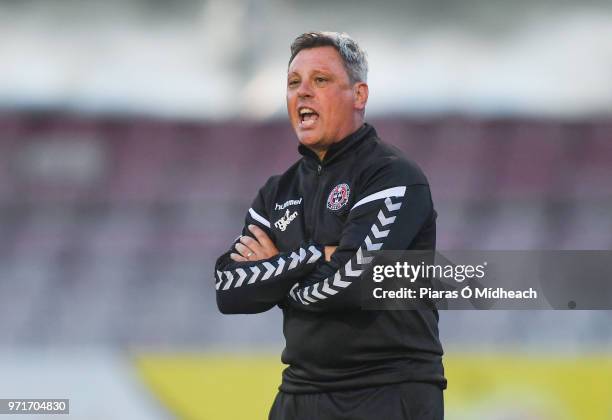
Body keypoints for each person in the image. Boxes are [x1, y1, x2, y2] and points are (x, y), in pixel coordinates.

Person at [214, 31, 445, 420]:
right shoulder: (277, 192)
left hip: (387, 391)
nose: (303, 92)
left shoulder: (392, 176)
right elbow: (228, 290)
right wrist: (316, 255)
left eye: (320, 81)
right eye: (293, 83)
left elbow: (350, 283)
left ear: (359, 96)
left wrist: (278, 276)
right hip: (299, 393)